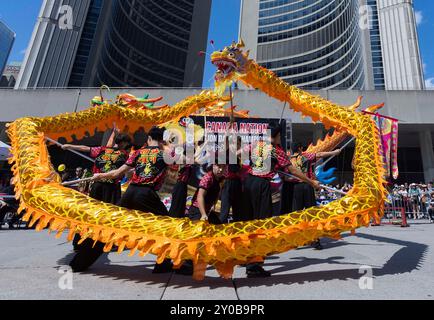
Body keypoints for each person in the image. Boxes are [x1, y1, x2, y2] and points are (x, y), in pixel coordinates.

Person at [84, 127, 180, 274]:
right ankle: (162, 264)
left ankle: (80, 261)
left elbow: (117, 173)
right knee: (167, 225)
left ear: (148, 139)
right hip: (146, 194)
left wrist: (99, 176)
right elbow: (187, 160)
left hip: (130, 192)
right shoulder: (164, 154)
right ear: (162, 140)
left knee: (111, 227)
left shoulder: (138, 153)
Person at [241, 124, 320, 277]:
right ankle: (254, 265)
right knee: (262, 224)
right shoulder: (277, 151)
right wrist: (311, 182)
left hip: (249, 184)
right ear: (277, 136)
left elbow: (240, 155)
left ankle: (246, 256)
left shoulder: (257, 145)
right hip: (261, 186)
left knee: (249, 223)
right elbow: (293, 170)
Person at [64, 131, 133, 271]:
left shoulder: (101, 151)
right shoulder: (124, 155)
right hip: (110, 189)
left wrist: (68, 146)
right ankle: (105, 241)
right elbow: (125, 171)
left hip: (98, 187)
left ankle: (80, 241)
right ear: (124, 144)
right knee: (109, 216)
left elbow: (85, 148)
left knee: (90, 215)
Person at [290, 142, 341, 250]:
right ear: (299, 148)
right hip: (307, 186)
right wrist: (334, 152)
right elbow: (320, 154)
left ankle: (293, 241)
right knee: (312, 214)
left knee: (295, 214)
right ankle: (315, 241)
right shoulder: (305, 156)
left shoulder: (289, 159)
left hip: (295, 188)